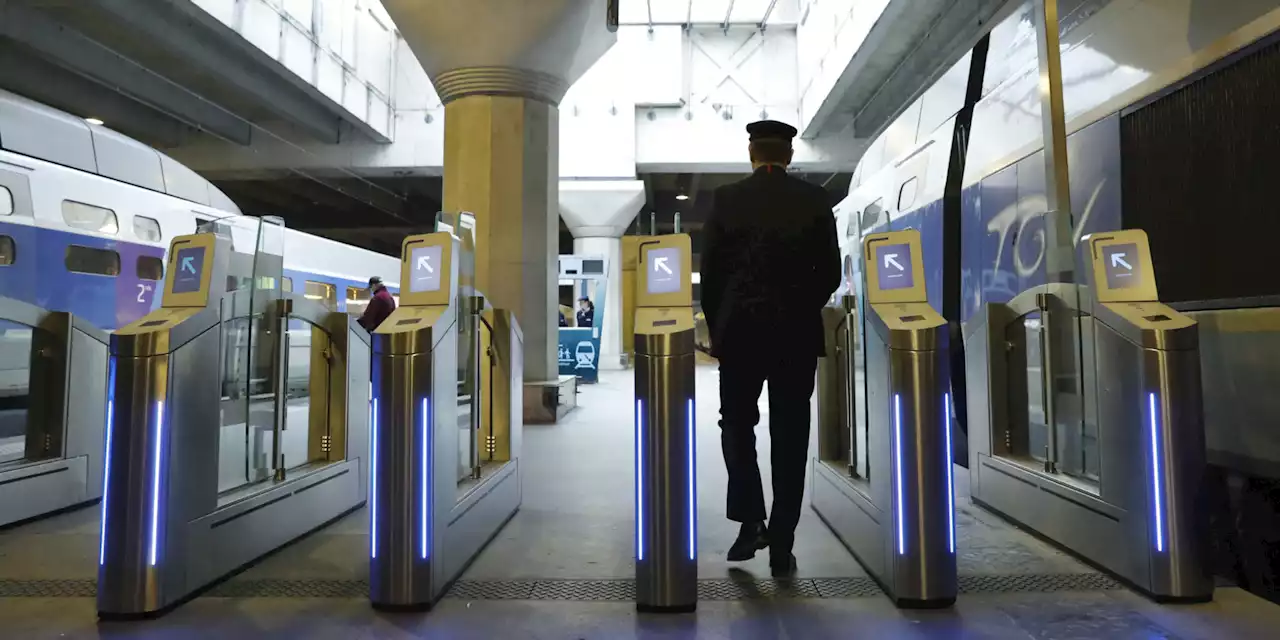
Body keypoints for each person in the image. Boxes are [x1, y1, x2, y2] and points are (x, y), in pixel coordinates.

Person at [701, 119, 841, 577]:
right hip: (795, 338)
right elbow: (831, 274)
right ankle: (782, 541)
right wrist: (799, 307)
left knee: (737, 426)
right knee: (791, 433)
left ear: (751, 152)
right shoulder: (815, 200)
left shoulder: (726, 200)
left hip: (740, 336)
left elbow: (713, 275)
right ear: (789, 155)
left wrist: (722, 326)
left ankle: (749, 521)